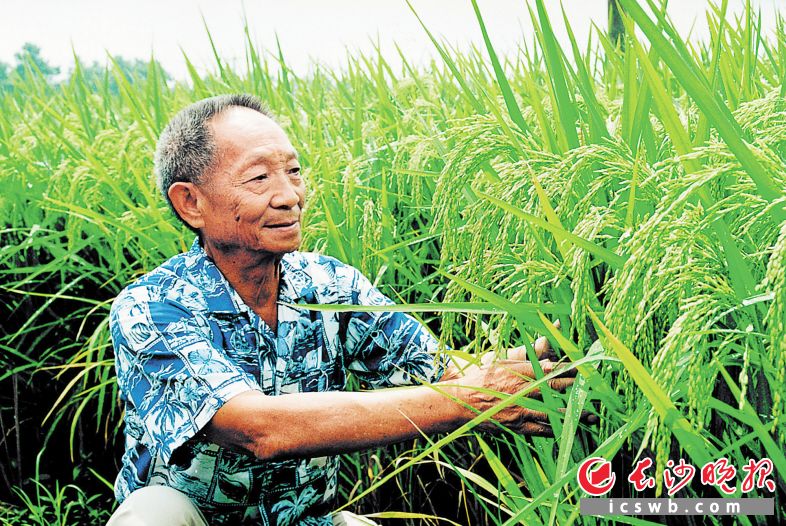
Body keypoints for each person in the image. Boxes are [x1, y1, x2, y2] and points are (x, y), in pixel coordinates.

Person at [106, 94, 580, 526]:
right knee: (155, 512)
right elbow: (258, 428)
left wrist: (538, 367)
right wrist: (469, 398)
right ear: (191, 203)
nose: (289, 196)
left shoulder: (331, 285)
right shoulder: (153, 307)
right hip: (197, 523)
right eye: (259, 177)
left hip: (306, 523)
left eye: (293, 171)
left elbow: (441, 375)